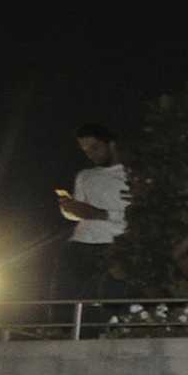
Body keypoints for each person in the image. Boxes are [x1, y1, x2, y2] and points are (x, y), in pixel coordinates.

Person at [53, 123, 130, 307]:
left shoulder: (133, 174)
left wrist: (101, 214)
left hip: (114, 245)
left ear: (111, 144)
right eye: (85, 150)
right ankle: (61, 332)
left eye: (95, 147)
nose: (90, 154)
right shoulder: (85, 175)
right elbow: (80, 213)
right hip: (80, 245)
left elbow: (142, 216)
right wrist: (70, 208)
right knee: (64, 303)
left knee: (110, 302)